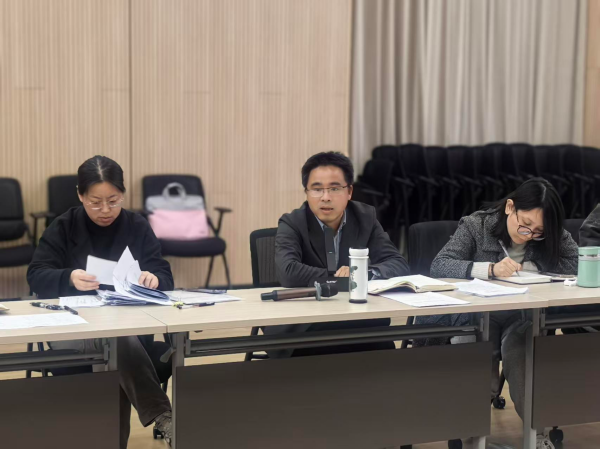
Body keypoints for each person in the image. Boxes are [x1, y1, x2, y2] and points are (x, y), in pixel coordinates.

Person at [27, 156, 174, 448]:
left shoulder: (136, 225)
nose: (105, 210)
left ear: (123, 194)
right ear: (80, 195)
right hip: (74, 329)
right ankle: (163, 414)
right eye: (95, 202)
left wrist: (154, 279)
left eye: (113, 200)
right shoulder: (64, 226)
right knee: (114, 341)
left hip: (131, 332)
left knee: (114, 345)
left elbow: (164, 275)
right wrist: (69, 277)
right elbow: (36, 275)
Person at [420, 178, 578, 449]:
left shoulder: (550, 232)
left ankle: (536, 436)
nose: (529, 234)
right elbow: (441, 265)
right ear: (509, 207)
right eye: (525, 224)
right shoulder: (476, 226)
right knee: (475, 351)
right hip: (478, 315)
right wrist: (489, 270)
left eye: (538, 232)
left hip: (524, 316)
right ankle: (470, 433)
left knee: (523, 353)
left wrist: (532, 266)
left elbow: (577, 262)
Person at [270, 151, 409, 357]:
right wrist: (341, 279)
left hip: (356, 317)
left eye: (334, 188)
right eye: (317, 189)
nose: (325, 197)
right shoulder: (292, 223)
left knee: (381, 344)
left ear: (349, 191)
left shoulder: (365, 218)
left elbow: (398, 263)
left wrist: (363, 273)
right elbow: (288, 272)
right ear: (306, 192)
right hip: (305, 322)